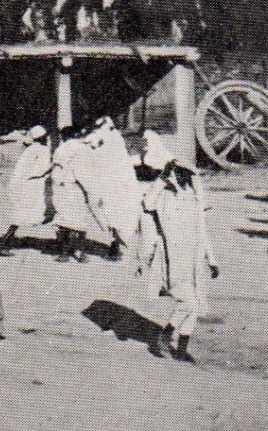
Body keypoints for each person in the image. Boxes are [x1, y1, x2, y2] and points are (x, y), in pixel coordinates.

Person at [138, 148, 219, 363]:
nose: (185, 176)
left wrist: (211, 260)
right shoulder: (162, 193)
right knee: (188, 302)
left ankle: (181, 349)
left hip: (194, 256)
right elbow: (147, 204)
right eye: (180, 172)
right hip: (172, 256)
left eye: (188, 173)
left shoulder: (194, 197)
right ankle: (164, 336)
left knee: (195, 303)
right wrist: (161, 180)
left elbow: (202, 229)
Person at [79, 116, 140, 258]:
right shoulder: (111, 135)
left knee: (112, 208)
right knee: (112, 209)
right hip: (116, 178)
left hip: (115, 178)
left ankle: (116, 239)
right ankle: (116, 239)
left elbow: (91, 145)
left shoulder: (106, 136)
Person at [49, 125, 104, 262]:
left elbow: (56, 171)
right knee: (79, 221)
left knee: (64, 222)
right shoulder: (83, 149)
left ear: (64, 136)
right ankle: (81, 253)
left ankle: (64, 253)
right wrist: (90, 190)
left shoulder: (61, 149)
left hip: (63, 188)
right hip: (77, 189)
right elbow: (84, 173)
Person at [0, 126, 51, 255]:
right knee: (21, 216)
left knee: (26, 215)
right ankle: (4, 244)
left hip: (27, 185)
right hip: (29, 186)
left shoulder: (32, 149)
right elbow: (43, 168)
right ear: (42, 137)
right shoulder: (40, 150)